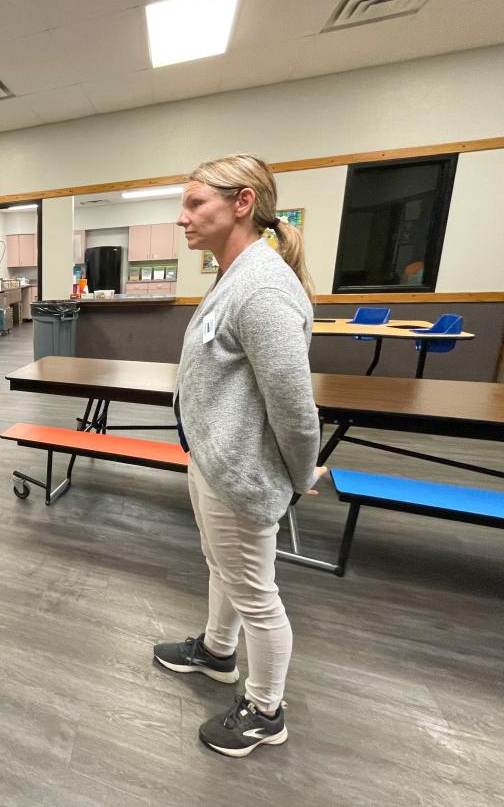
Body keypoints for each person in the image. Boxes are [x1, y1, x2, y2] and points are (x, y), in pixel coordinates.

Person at [153, 153, 325, 757]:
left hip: (241, 471)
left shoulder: (263, 287)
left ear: (243, 202)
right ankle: (216, 652)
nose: (183, 217)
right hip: (214, 458)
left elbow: (295, 409)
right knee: (222, 567)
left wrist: (302, 473)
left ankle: (264, 711)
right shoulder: (236, 274)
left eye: (195, 203)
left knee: (255, 591)